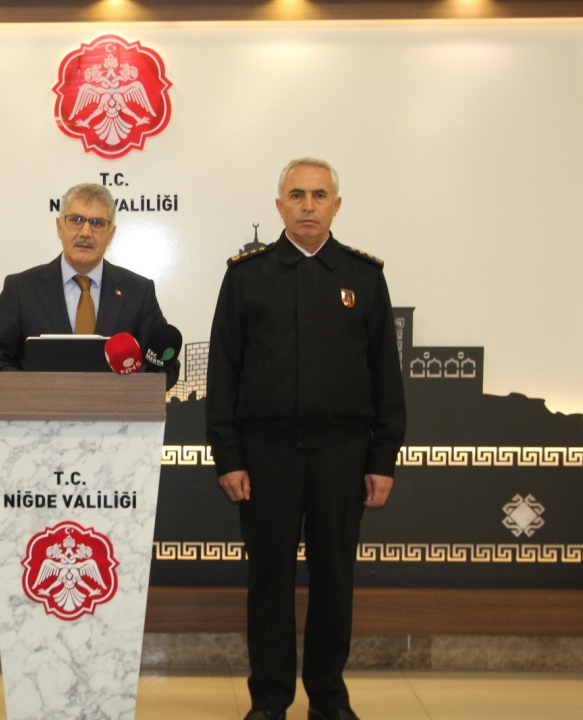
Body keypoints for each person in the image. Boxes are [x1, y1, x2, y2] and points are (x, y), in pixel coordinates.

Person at [205, 158, 406, 720]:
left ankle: (328, 697)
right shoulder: (248, 275)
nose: (309, 205)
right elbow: (224, 372)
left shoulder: (364, 278)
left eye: (320, 195)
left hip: (343, 454)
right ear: (279, 206)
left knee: (335, 579)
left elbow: (385, 377)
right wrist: (229, 455)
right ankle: (269, 699)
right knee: (268, 579)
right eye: (297, 195)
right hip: (265, 456)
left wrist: (382, 458)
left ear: (336, 205)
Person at [0, 182, 178, 387]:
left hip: (116, 415)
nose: (85, 232)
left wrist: (129, 383)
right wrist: (35, 387)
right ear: (59, 226)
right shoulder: (21, 289)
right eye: (76, 220)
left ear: (111, 234)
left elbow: (166, 368)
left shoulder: (138, 292)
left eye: (97, 223)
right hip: (38, 416)